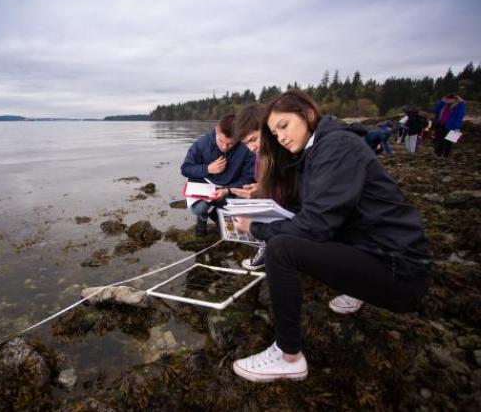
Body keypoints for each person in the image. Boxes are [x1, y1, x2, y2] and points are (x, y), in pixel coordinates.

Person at [231, 90, 431, 382]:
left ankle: (288, 355)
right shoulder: (316, 150)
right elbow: (316, 212)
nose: (280, 137)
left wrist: (255, 228)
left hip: (400, 272)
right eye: (274, 133)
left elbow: (315, 226)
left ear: (308, 114)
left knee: (281, 249)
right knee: (298, 236)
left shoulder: (336, 146)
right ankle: (359, 288)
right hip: (379, 255)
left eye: (284, 126)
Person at [181, 114, 255, 236]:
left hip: (230, 189)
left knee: (230, 233)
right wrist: (207, 169)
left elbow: (248, 178)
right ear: (216, 130)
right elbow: (185, 169)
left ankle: (218, 213)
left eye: (230, 143)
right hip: (205, 189)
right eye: (221, 141)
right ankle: (202, 217)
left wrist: (227, 190)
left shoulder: (246, 148)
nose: (225, 147)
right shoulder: (201, 144)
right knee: (198, 209)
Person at [230, 103, 268, 270]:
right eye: (246, 143)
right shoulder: (260, 156)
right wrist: (258, 188)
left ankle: (268, 248)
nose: (251, 147)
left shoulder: (285, 151)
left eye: (253, 139)